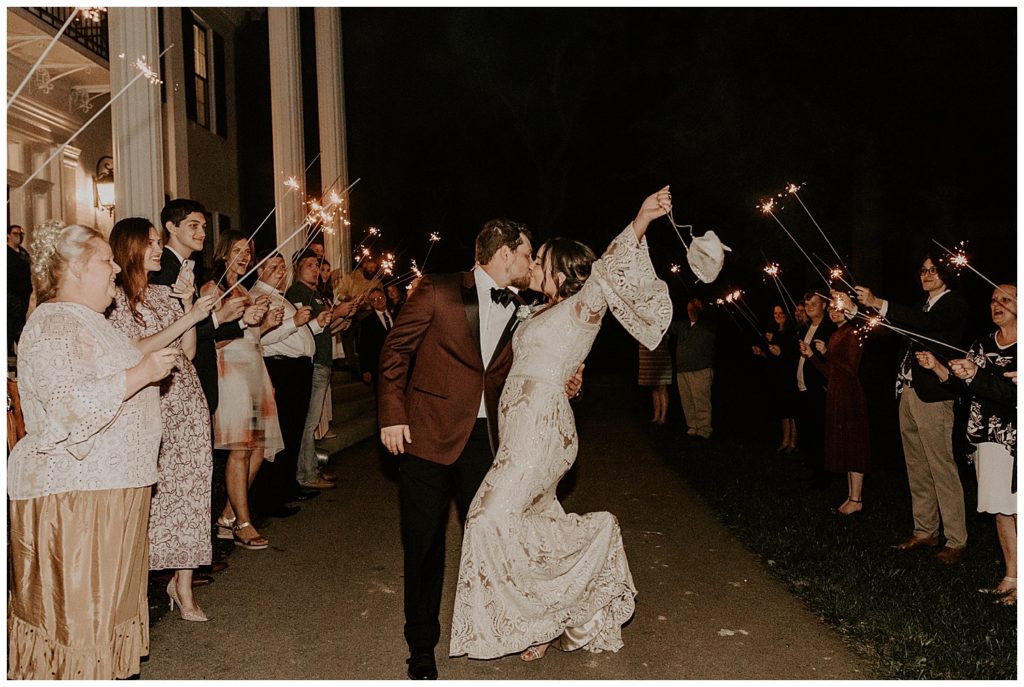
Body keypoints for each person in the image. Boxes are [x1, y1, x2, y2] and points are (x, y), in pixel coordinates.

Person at [449, 187, 673, 663]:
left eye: (540, 259)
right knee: (529, 522)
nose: (533, 266)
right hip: (521, 428)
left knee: (487, 516)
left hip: (541, 430)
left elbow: (608, 269)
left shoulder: (581, 305)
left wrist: (641, 219)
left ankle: (597, 539)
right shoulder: (536, 309)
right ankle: (550, 619)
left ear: (562, 269)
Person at [377, 215, 582, 680]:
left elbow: (529, 366)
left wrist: (564, 381)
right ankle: (422, 647)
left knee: (498, 538)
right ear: (505, 252)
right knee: (424, 545)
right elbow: (395, 352)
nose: (531, 264)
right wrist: (392, 413)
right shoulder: (437, 289)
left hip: (490, 443)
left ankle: (502, 627)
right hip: (426, 437)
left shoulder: (525, 308)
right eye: (527, 253)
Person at [8, 221, 177, 679]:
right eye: (107, 261)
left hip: (112, 488)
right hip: (77, 497)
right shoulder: (52, 324)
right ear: (79, 268)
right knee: (80, 622)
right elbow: (65, 411)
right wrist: (141, 374)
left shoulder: (89, 321)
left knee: (105, 617)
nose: (116, 270)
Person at [107, 218, 217, 620]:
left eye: (158, 242)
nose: (157, 249)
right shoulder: (115, 299)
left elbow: (186, 351)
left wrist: (187, 305)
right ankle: (140, 587)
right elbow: (134, 349)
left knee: (192, 489)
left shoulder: (163, 294)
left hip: (186, 398)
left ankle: (184, 587)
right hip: (153, 404)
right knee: (157, 494)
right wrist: (188, 317)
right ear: (129, 248)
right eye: (150, 243)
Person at [851, 256, 968, 563]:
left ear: (946, 275)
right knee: (916, 465)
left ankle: (956, 539)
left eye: (933, 270)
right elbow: (892, 329)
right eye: (923, 269)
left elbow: (926, 326)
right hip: (908, 391)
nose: (926, 274)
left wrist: (880, 301)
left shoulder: (954, 304)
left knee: (941, 465)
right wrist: (857, 311)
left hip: (934, 395)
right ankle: (925, 531)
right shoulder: (921, 306)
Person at [916, 284, 1016, 602]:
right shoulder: (982, 344)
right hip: (986, 438)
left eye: (1006, 299)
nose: (996, 304)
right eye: (993, 300)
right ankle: (1012, 576)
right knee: (1000, 508)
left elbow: (1010, 394)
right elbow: (963, 386)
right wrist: (940, 369)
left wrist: (976, 375)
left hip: (1014, 437)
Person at [201, 231, 284, 550]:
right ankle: (244, 524)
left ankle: (227, 516)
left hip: (253, 368)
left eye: (248, 251)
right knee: (241, 448)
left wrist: (268, 324)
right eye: (239, 250)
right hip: (231, 371)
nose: (246, 256)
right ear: (223, 253)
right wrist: (245, 322)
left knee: (260, 448)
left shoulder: (243, 290)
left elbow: (250, 335)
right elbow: (213, 340)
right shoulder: (213, 289)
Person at [249, 251, 330, 506]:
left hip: (298, 368)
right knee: (283, 433)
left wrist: (316, 325)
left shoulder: (279, 297)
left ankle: (289, 486)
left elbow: (295, 334)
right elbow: (261, 338)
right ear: (260, 270)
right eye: (274, 267)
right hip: (282, 369)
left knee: (293, 431)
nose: (280, 272)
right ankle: (274, 494)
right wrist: (294, 322)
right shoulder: (259, 297)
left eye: (283, 268)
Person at [802, 297, 869, 514]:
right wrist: (812, 356)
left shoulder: (854, 332)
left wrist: (826, 353)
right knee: (846, 445)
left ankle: (857, 499)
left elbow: (851, 369)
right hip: (837, 394)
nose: (833, 311)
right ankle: (851, 497)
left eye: (838, 308)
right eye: (831, 308)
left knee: (854, 444)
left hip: (850, 395)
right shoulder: (835, 334)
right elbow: (830, 373)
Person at [289, 249, 348, 487]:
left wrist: (342, 319)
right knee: (309, 422)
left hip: (323, 361)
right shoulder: (297, 292)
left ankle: (311, 467)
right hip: (312, 363)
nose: (315, 270)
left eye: (317, 265)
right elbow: (304, 328)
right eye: (310, 265)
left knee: (312, 422)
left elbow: (325, 328)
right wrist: (336, 314)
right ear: (298, 268)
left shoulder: (317, 294)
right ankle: (306, 474)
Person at [794, 292, 836, 485]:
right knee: (807, 430)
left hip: (819, 389)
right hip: (803, 389)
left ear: (825, 306)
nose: (809, 306)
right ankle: (808, 466)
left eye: (814, 303)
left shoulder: (829, 329)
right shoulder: (807, 328)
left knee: (820, 432)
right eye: (807, 303)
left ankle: (822, 474)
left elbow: (832, 361)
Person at [752, 304, 800, 452]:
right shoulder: (773, 332)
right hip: (777, 376)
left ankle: (794, 442)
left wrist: (779, 348)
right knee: (782, 410)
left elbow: (792, 355)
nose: (778, 316)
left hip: (790, 376)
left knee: (792, 410)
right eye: (775, 313)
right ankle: (785, 439)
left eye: (781, 313)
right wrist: (762, 353)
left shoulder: (792, 332)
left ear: (787, 315)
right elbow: (772, 357)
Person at [670, 297, 716, 438]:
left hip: (700, 369)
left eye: (694, 309)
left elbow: (708, 320)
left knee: (700, 399)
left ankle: (704, 428)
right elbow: (666, 326)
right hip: (683, 370)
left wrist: (699, 309)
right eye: (689, 309)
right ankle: (693, 425)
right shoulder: (682, 325)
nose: (691, 311)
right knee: (687, 400)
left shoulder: (707, 325)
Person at [358, 286, 393, 388]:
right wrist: (365, 370)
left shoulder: (397, 315)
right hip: (379, 365)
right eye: (374, 300)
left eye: (380, 298)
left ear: (385, 298)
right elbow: (364, 347)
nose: (378, 301)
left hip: (399, 363)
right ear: (371, 303)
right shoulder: (367, 322)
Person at [8, 223, 33, 350]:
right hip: (11, 295)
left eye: (21, 234)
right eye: (15, 234)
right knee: (11, 325)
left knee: (20, 324)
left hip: (23, 295)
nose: (19, 237)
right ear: (8, 235)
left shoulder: (23, 252)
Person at [638, 334, 672, 425]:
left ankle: (663, 417)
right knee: (654, 390)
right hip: (650, 361)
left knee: (662, 389)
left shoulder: (661, 329)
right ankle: (656, 415)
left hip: (661, 361)